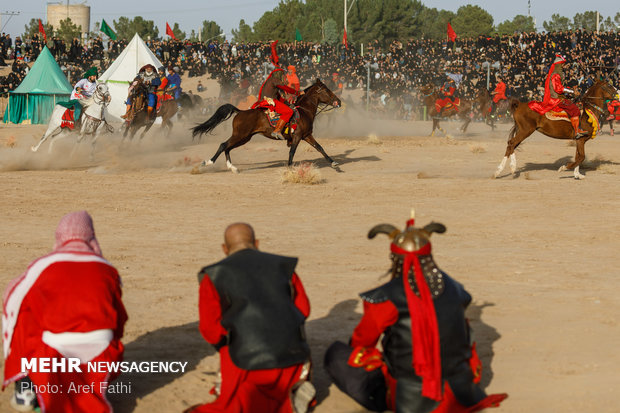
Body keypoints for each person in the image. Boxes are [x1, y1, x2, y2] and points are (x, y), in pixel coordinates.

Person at [324, 213, 508, 413]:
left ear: (395, 257)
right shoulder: (454, 288)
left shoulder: (386, 297)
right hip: (461, 391)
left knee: (336, 355)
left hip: (410, 397)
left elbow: (362, 342)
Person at [2, 211, 127, 412]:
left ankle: (25, 386)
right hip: (102, 357)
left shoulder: (43, 265)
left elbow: (11, 297)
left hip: (54, 354)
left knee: (23, 314)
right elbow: (120, 320)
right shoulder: (108, 269)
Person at [190, 223, 315, 413]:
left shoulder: (213, 275)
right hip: (290, 355)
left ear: (224, 249)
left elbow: (211, 331)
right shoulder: (284, 266)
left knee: (238, 402)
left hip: (244, 362)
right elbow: (303, 310)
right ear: (256, 243)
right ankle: (291, 395)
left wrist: (229, 341)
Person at [528, 54, 587, 138]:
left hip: (558, 97)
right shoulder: (556, 75)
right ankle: (577, 131)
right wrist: (572, 92)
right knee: (575, 110)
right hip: (556, 100)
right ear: (559, 65)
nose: (563, 66)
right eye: (562, 64)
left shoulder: (555, 74)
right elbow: (559, 89)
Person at [251, 41, 300, 140]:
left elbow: (275, 60)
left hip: (268, 100)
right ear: (279, 74)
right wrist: (297, 93)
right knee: (289, 111)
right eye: (282, 75)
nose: (284, 76)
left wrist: (273, 47)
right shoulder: (275, 80)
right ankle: (277, 130)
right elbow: (286, 88)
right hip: (269, 102)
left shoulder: (271, 80)